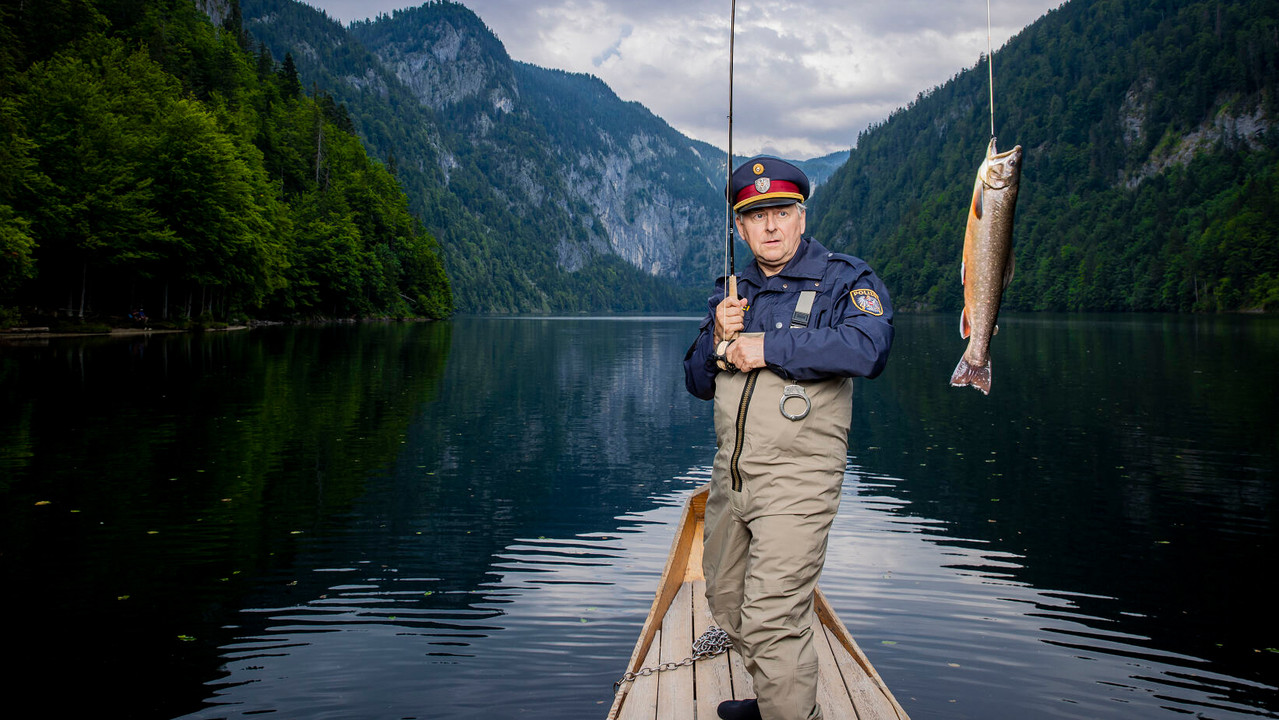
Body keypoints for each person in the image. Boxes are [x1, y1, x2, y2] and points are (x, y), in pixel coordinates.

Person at [683, 156, 894, 720]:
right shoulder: (733, 291)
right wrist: (716, 340)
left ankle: (791, 713)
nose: (770, 226)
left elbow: (869, 348)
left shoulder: (846, 279)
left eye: (782, 211)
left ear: (802, 216)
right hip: (731, 480)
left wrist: (766, 347)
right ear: (740, 228)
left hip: (799, 483)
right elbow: (697, 382)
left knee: (774, 614)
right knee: (727, 600)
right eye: (756, 216)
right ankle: (778, 698)